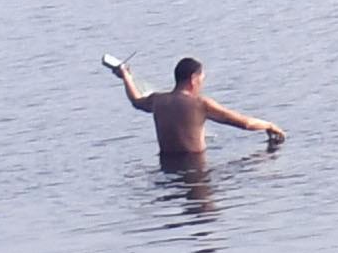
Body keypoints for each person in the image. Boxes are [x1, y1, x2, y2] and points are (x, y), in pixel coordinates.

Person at [106, 52, 287, 168]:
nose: (202, 83)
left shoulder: (158, 101)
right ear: (193, 79)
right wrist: (269, 125)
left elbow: (136, 101)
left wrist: (126, 77)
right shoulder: (201, 104)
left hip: (167, 165)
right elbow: (245, 123)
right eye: (202, 78)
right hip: (195, 166)